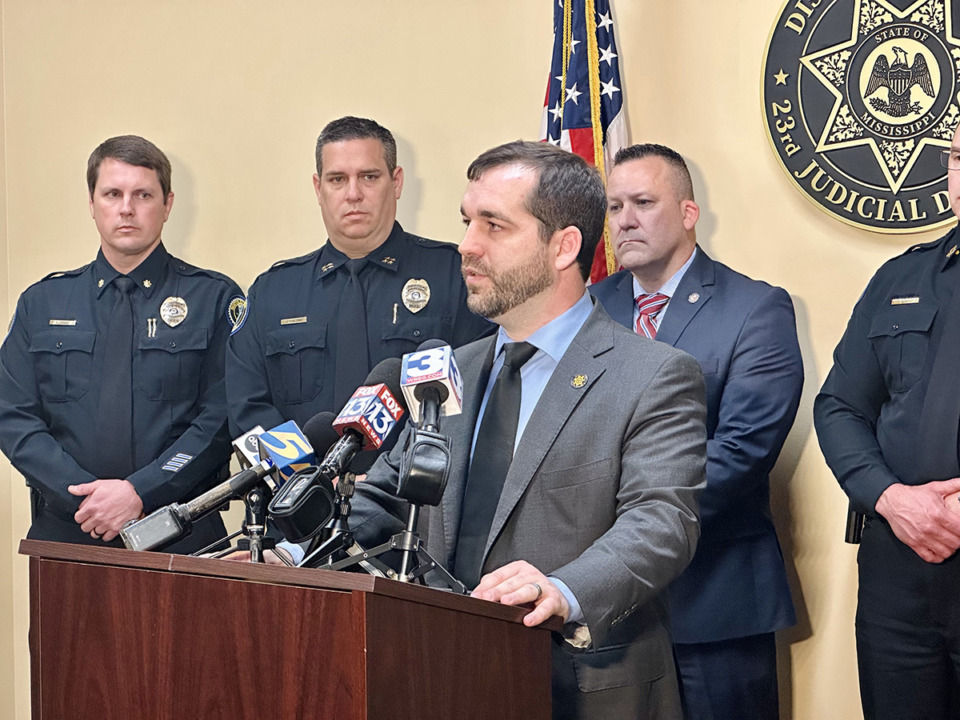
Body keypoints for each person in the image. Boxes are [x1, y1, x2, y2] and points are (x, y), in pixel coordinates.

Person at [349, 140, 708, 719]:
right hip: (434, 675)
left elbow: (661, 523)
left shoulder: (653, 376)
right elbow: (383, 502)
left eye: (494, 225)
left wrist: (562, 589)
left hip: (576, 686)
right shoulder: (444, 372)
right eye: (467, 222)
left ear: (564, 246)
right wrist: (289, 554)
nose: (466, 245)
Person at [591, 144, 802, 719]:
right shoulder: (587, 308)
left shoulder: (755, 308)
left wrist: (617, 513)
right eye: (614, 207)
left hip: (713, 605)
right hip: (605, 607)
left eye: (642, 202)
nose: (625, 220)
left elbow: (742, 450)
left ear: (688, 213)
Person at [0, 135, 242, 551]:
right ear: (92, 204)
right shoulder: (42, 302)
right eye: (112, 193)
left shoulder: (214, 298)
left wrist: (141, 491)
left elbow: (221, 418)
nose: (126, 208)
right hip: (69, 529)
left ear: (167, 205)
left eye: (143, 194)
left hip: (180, 528)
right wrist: (84, 496)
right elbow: (12, 414)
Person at [226, 116, 492, 468]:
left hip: (413, 509)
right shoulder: (273, 292)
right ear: (318, 188)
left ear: (396, 182)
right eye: (338, 179)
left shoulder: (454, 276)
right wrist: (309, 483)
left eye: (369, 177)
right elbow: (249, 410)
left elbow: (479, 395)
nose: (353, 194)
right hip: (303, 510)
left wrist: (388, 482)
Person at [815, 121, 960, 720]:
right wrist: (892, 498)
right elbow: (840, 406)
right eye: (959, 156)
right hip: (898, 573)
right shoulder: (902, 277)